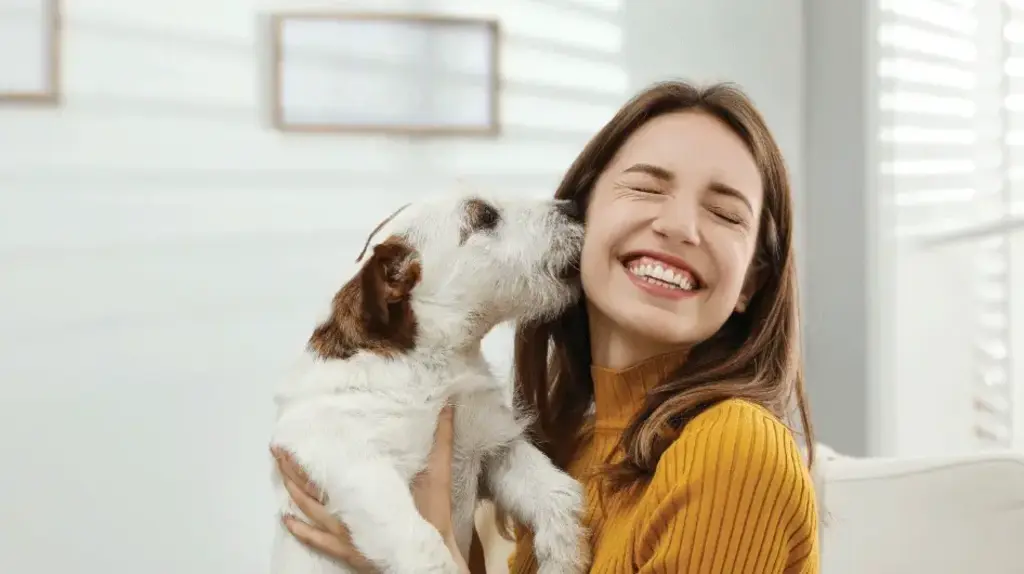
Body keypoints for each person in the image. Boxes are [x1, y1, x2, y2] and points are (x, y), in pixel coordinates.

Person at [272, 80, 820, 573]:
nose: (678, 226)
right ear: (581, 213)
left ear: (751, 282)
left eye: (726, 214)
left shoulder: (734, 450)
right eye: (648, 188)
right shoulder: (571, 446)